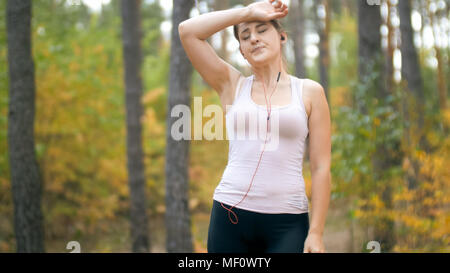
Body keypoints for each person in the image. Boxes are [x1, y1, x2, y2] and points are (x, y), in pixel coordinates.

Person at [178, 0, 331, 253]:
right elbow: (188, 31)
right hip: (229, 217)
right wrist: (247, 12)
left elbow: (321, 166)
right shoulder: (232, 85)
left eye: (262, 30)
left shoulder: (310, 92)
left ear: (282, 37)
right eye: (245, 36)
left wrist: (316, 232)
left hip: (288, 222)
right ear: (241, 51)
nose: (254, 39)